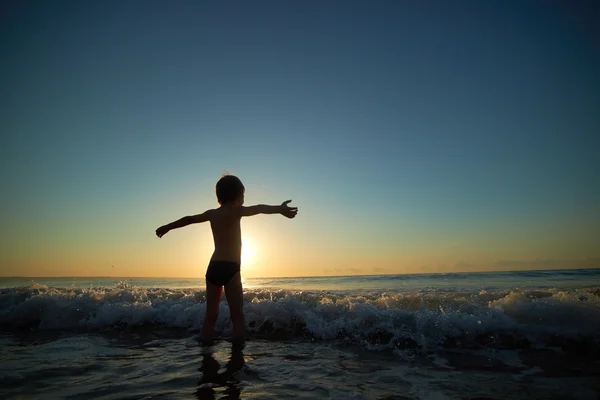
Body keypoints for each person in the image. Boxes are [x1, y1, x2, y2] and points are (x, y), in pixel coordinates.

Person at [155, 175, 298, 344]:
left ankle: (205, 346)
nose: (244, 200)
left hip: (213, 267)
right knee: (237, 314)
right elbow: (259, 208)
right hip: (231, 268)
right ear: (237, 195)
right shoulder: (237, 211)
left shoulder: (212, 213)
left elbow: (189, 219)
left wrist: (167, 227)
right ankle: (237, 350)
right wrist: (280, 209)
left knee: (211, 314)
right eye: (243, 196)